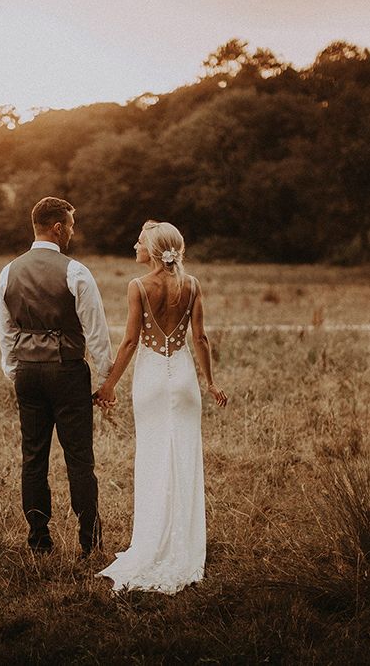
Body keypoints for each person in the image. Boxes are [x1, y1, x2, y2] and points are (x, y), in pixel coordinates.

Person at [94, 220, 228, 593]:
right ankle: (183, 544)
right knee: (183, 458)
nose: (133, 246)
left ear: (152, 250)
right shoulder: (193, 284)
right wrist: (210, 382)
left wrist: (108, 385)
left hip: (152, 379)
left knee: (154, 458)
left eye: (139, 242)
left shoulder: (137, 286)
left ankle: (154, 542)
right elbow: (199, 337)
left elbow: (130, 341)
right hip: (184, 378)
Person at [0, 197, 113, 557]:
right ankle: (88, 543)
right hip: (67, 372)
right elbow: (96, 332)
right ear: (58, 228)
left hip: (27, 374)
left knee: (33, 457)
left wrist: (17, 370)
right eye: (72, 227)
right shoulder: (75, 271)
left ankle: (38, 539)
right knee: (79, 459)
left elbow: (6, 331)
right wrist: (104, 378)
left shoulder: (8, 271)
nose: (73, 234)